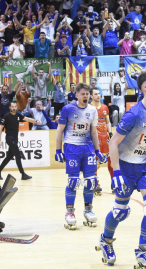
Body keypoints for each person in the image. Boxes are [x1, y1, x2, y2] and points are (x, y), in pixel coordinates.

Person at [96, 71, 146, 267]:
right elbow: (113, 143)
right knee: (120, 212)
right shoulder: (133, 114)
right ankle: (106, 240)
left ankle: (142, 251)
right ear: (145, 88)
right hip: (126, 167)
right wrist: (116, 173)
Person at [54, 83, 107, 230]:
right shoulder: (68, 109)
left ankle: (88, 211)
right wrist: (58, 150)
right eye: (82, 94)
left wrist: (97, 151)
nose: (85, 96)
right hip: (72, 147)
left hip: (88, 147)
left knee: (91, 182)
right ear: (76, 94)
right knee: (73, 182)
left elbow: (94, 132)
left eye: (87, 94)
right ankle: (70, 213)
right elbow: (59, 131)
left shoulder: (92, 110)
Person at [0, 102, 38, 180]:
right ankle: (23, 174)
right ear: (10, 107)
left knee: (9, 157)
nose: (14, 108)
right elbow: (1, 128)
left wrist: (36, 121)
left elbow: (27, 119)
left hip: (15, 138)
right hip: (9, 138)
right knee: (18, 155)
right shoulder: (6, 116)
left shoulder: (18, 115)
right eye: (12, 107)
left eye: (15, 106)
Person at [90, 87, 114, 193]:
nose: (98, 96)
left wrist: (110, 133)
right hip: (95, 137)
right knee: (95, 161)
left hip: (105, 136)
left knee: (111, 160)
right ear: (91, 96)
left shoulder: (105, 107)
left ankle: (114, 183)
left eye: (99, 94)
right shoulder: (89, 107)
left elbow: (107, 121)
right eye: (95, 94)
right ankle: (95, 183)